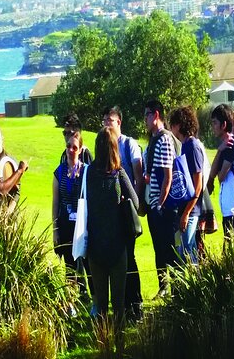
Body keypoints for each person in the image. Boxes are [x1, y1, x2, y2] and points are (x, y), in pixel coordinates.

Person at [85, 127, 139, 353]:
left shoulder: (89, 173)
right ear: (115, 148)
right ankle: (120, 347)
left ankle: (102, 348)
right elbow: (136, 203)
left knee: (100, 304)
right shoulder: (120, 174)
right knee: (118, 306)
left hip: (95, 248)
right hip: (117, 249)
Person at [102, 105, 144, 320]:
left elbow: (137, 175)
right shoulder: (104, 147)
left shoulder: (129, 145)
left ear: (119, 122)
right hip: (111, 218)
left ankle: (135, 305)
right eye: (104, 121)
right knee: (119, 259)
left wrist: (132, 206)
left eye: (110, 120)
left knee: (130, 258)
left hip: (127, 213)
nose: (106, 124)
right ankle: (123, 306)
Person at [143, 99, 180, 297]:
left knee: (167, 249)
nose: (145, 119)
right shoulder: (153, 139)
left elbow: (168, 175)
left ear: (156, 115)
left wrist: (160, 204)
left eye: (147, 114)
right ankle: (163, 286)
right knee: (159, 248)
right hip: (153, 203)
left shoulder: (165, 139)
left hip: (163, 207)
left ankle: (172, 288)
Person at [52, 130, 91, 296]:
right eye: (68, 146)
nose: (71, 150)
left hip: (82, 224)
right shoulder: (58, 172)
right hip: (65, 224)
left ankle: (92, 296)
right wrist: (55, 230)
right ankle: (72, 297)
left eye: (75, 147)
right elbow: (55, 202)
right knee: (69, 265)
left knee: (87, 263)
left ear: (81, 149)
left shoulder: (87, 171)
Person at [169, 106, 204, 264]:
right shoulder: (185, 145)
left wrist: (186, 213)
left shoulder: (192, 146)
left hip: (191, 211)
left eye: (172, 124)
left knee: (188, 254)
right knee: (184, 251)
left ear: (179, 125)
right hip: (184, 209)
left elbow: (198, 183)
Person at [207, 104, 234, 246]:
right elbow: (212, 173)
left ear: (223, 125)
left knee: (231, 249)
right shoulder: (225, 146)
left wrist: (222, 150)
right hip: (229, 209)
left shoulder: (232, 145)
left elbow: (220, 177)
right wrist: (219, 150)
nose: (212, 126)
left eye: (214, 123)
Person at [0, 125, 20, 212]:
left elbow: (17, 191)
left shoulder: (11, 162)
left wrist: (8, 211)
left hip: (9, 212)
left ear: (2, 139)